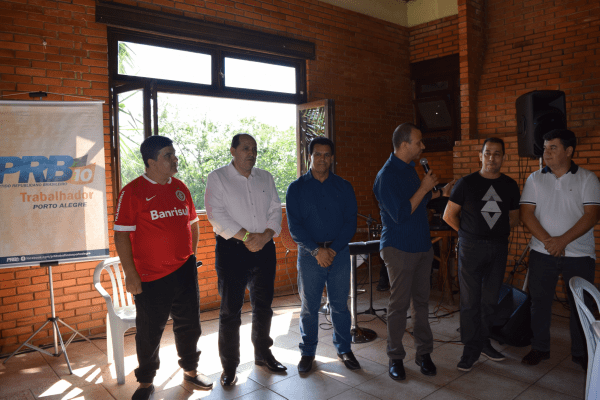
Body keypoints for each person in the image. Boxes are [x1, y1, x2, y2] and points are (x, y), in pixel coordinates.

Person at [114, 135, 212, 400]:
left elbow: (193, 224)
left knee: (189, 325)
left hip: (184, 271)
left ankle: (190, 371)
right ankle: (146, 382)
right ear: (151, 162)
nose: (175, 159)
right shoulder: (132, 191)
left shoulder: (180, 188)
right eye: (168, 155)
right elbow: (121, 235)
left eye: (174, 154)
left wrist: (190, 257)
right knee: (149, 332)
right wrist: (130, 274)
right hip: (150, 276)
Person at [373, 123, 454, 381]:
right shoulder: (386, 176)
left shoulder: (410, 169)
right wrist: (424, 187)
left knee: (421, 303)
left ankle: (424, 353)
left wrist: (439, 192)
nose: (423, 147)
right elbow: (400, 213)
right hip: (399, 248)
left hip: (422, 246)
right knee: (398, 306)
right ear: (404, 144)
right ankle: (395, 357)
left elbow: (419, 201)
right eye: (419, 142)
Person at [205, 133, 285, 386]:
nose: (251, 153)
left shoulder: (265, 177)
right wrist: (249, 237)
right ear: (233, 151)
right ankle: (229, 366)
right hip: (232, 250)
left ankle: (263, 353)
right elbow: (216, 214)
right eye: (246, 148)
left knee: (264, 306)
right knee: (231, 311)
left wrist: (266, 236)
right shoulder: (217, 178)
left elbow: (275, 209)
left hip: (265, 248)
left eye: (254, 149)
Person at [520, 129, 600, 369]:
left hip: (580, 255)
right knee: (539, 303)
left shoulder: (587, 178)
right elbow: (526, 213)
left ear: (569, 151)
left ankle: (582, 352)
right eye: (545, 148)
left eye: (553, 147)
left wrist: (562, 241)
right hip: (541, 253)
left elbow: (592, 215)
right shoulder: (534, 178)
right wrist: (549, 242)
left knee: (581, 306)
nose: (546, 152)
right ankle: (540, 348)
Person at [443, 137, 520, 372]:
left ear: (503, 157)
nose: (491, 158)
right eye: (487, 153)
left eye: (497, 154)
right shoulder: (466, 183)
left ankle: (484, 342)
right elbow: (448, 216)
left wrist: (492, 233)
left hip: (498, 248)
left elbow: (514, 218)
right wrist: (468, 235)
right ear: (480, 156)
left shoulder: (510, 185)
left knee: (490, 299)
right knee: (470, 300)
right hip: (471, 248)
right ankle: (470, 349)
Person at [286, 137, 359, 374]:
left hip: (339, 253)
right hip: (310, 255)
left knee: (340, 305)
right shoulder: (296, 188)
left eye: (327, 155)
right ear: (309, 157)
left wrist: (333, 250)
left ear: (332, 158)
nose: (322, 159)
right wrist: (317, 251)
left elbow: (350, 223)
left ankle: (344, 349)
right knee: (310, 306)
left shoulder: (344, 187)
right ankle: (308, 352)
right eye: (317, 154)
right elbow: (295, 228)